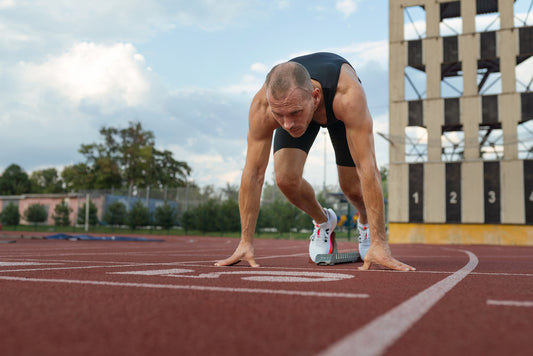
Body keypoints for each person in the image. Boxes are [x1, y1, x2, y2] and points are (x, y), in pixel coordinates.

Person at [215, 52, 415, 271]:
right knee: (285, 180)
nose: (288, 124)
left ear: (315, 97)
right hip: (299, 103)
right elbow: (253, 174)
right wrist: (245, 241)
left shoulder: (347, 95)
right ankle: (324, 221)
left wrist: (380, 242)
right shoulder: (264, 107)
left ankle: (366, 223)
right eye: (279, 115)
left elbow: (367, 167)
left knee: (351, 187)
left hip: (336, 111)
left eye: (294, 113)